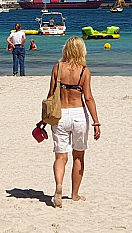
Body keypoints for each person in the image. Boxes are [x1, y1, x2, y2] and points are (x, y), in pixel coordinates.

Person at [45, 36, 101, 208]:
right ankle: (74, 195)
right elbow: (89, 98)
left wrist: (44, 119)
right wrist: (96, 122)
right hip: (78, 115)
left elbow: (50, 95)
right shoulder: (84, 71)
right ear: (82, 51)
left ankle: (59, 187)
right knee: (79, 156)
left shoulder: (57, 67)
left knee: (61, 157)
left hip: (60, 114)